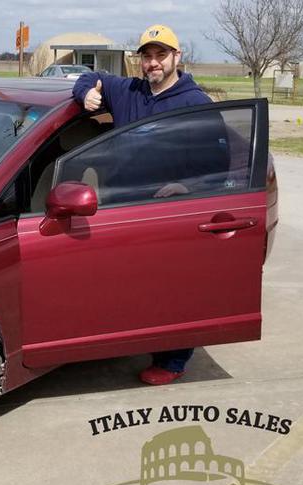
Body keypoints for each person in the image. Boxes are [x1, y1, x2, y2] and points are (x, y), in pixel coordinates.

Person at [72, 24, 211, 386]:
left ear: (177, 57)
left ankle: (174, 359)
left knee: (171, 287)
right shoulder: (128, 90)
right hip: (124, 208)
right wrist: (86, 92)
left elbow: (219, 161)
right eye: (147, 56)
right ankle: (133, 336)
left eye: (160, 55)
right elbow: (92, 76)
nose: (152, 63)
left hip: (171, 212)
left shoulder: (194, 103)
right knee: (131, 282)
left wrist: (187, 185)